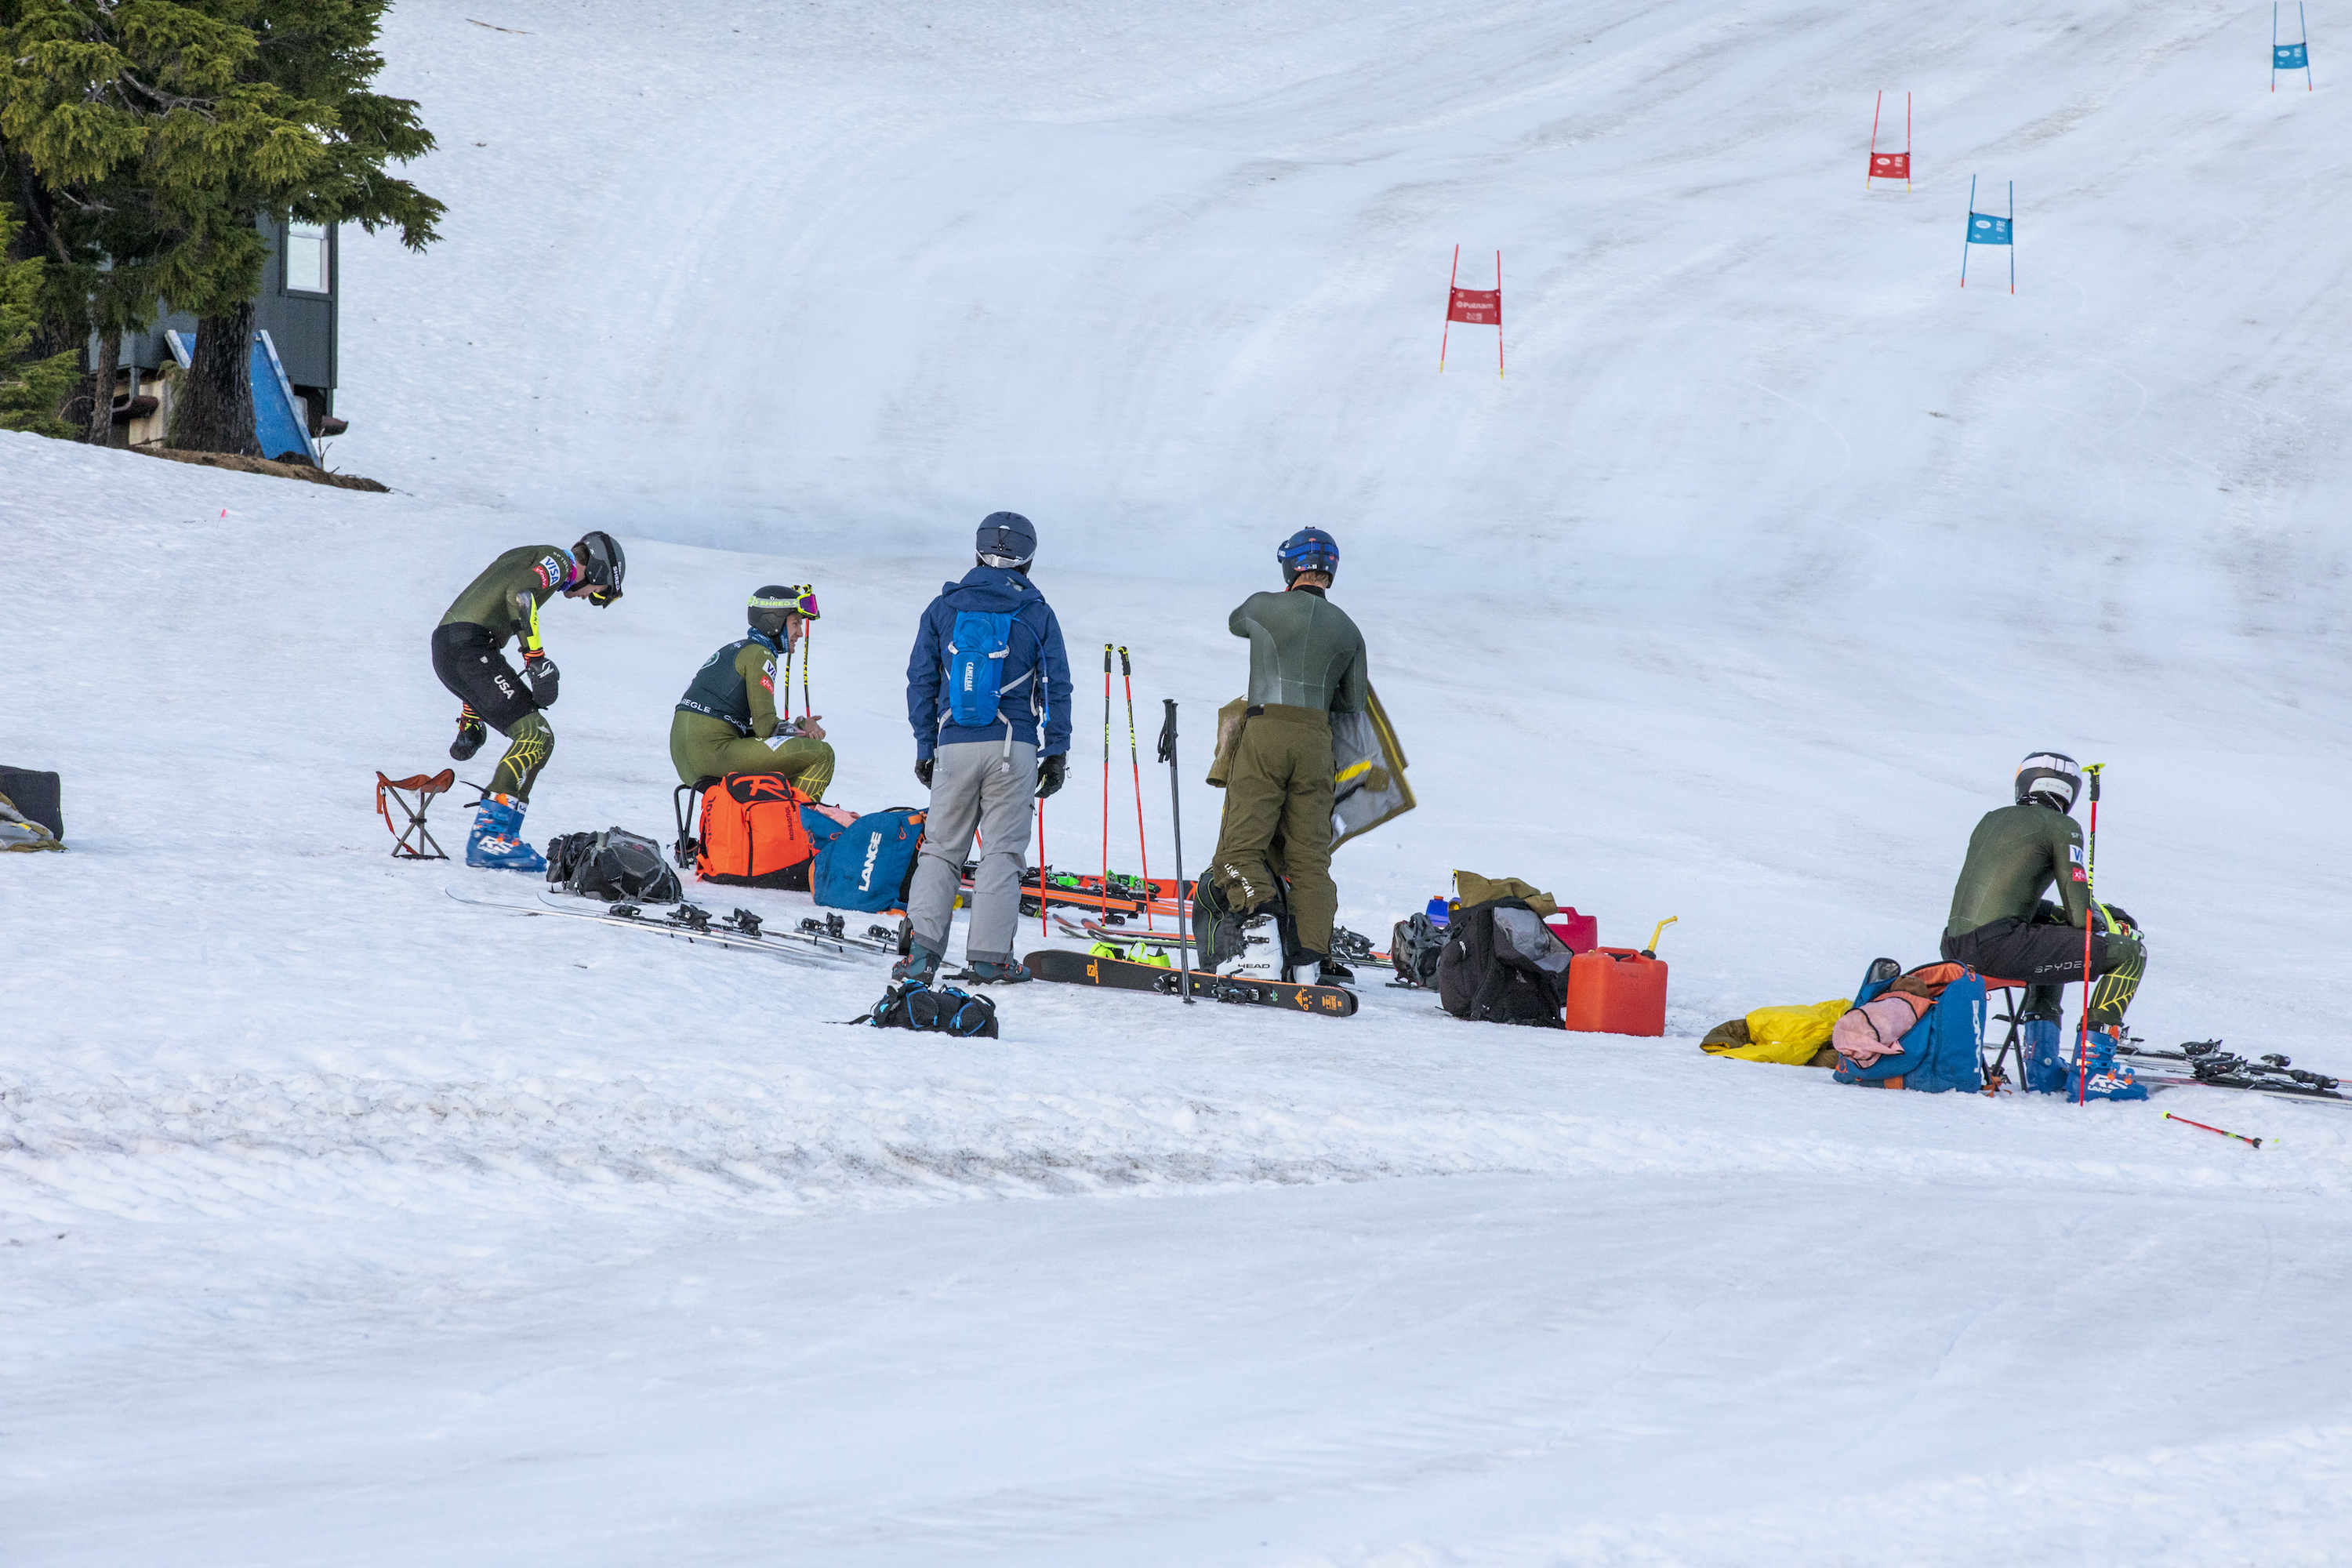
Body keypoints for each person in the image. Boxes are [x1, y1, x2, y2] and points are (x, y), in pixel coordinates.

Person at [895, 512, 1073, 985]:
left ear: (977, 552)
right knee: (1001, 853)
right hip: (1013, 747)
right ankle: (991, 959)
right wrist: (1056, 751)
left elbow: (921, 680)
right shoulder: (1037, 613)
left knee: (940, 850)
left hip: (953, 743)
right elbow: (1056, 686)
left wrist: (925, 744)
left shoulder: (942, 609)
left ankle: (919, 957)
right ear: (1028, 560)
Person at [1196, 527, 1368, 985]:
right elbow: (1351, 702)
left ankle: (1261, 939)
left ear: (1290, 566)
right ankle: (1309, 962)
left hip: (1266, 733)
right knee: (1309, 859)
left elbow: (1235, 622)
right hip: (1317, 744)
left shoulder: (1263, 606)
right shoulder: (1349, 630)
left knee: (1238, 849)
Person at [432, 532, 625, 870]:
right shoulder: (560, 560)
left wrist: (471, 716)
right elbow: (519, 595)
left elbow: (486, 620)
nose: (589, 598)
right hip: (468, 647)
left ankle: (500, 837)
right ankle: (492, 838)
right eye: (599, 591)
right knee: (536, 736)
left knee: (538, 735)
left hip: (458, 647)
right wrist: (536, 659)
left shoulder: (532, 555)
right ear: (596, 569)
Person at [1941, 751, 2146, 1066]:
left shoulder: (1991, 819)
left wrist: (2086, 914)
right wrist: (2106, 920)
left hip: (1955, 947)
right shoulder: (2062, 825)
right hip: (1998, 948)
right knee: (2131, 954)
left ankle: (2043, 1066)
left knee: (2051, 937)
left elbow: (2015, 904)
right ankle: (2094, 1069)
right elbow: (2081, 918)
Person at [669, 585, 835, 800]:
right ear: (775, 621)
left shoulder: (735, 649)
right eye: (795, 623)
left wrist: (795, 730)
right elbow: (765, 727)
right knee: (821, 754)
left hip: (686, 758)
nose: (800, 633)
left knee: (792, 755)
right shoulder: (760, 654)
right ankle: (792, 820)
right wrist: (802, 728)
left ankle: (768, 816)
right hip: (713, 755)